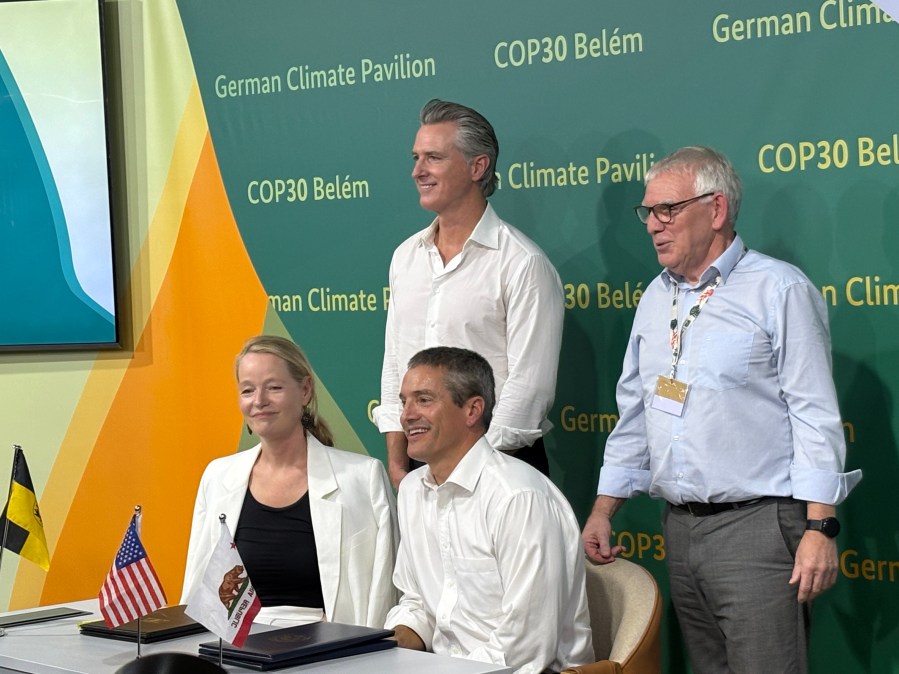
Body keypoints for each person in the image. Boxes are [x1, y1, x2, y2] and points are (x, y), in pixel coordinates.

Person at [581, 146, 862, 674]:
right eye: (648, 213)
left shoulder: (779, 289)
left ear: (715, 210)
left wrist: (820, 529)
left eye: (667, 210)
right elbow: (635, 413)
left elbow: (814, 414)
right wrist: (603, 509)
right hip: (681, 530)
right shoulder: (653, 298)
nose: (652, 226)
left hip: (757, 528)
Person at [372, 99, 564, 487]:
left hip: (500, 473)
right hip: (420, 469)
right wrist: (398, 464)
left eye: (433, 158)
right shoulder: (405, 257)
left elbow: (528, 391)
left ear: (478, 167)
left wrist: (468, 471)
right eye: (416, 157)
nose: (417, 171)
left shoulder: (522, 263)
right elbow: (395, 363)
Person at [385, 346, 593, 674]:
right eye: (404, 401)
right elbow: (417, 603)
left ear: (472, 410)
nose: (407, 415)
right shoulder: (412, 490)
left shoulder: (518, 497)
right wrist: (388, 648)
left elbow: (526, 649)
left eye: (423, 400)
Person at [182, 335, 398, 628]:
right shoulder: (218, 477)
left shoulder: (362, 478)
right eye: (247, 390)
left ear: (305, 390)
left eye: (274, 387)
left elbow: (384, 591)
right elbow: (199, 590)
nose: (259, 401)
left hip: (330, 656)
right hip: (235, 654)